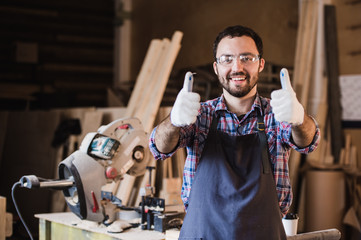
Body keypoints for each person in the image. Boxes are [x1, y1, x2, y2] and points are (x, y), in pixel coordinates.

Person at [149, 25, 320, 239]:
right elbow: (159, 148)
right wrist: (174, 121)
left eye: (247, 58)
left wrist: (299, 119)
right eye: (227, 59)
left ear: (261, 64)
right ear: (215, 67)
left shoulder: (277, 115)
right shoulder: (199, 115)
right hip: (203, 234)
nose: (237, 67)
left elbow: (308, 142)